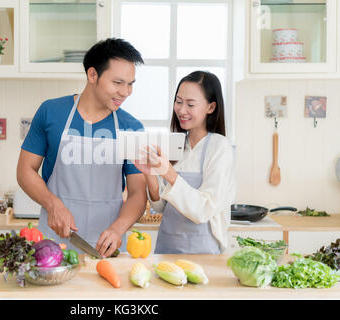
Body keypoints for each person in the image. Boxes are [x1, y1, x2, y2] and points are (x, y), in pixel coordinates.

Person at [17, 38, 147, 258]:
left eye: (131, 84)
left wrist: (118, 229)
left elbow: (137, 194)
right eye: (118, 82)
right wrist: (52, 204)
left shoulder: (131, 127)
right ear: (92, 75)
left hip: (108, 245)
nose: (126, 92)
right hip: (55, 240)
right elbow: (24, 170)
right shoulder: (51, 112)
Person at [134, 71, 235, 254]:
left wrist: (169, 174)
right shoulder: (176, 144)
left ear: (211, 108)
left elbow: (204, 210)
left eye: (190, 104)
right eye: (178, 102)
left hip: (203, 252)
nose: (181, 110)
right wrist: (149, 173)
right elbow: (161, 207)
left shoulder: (219, 147)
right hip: (167, 250)